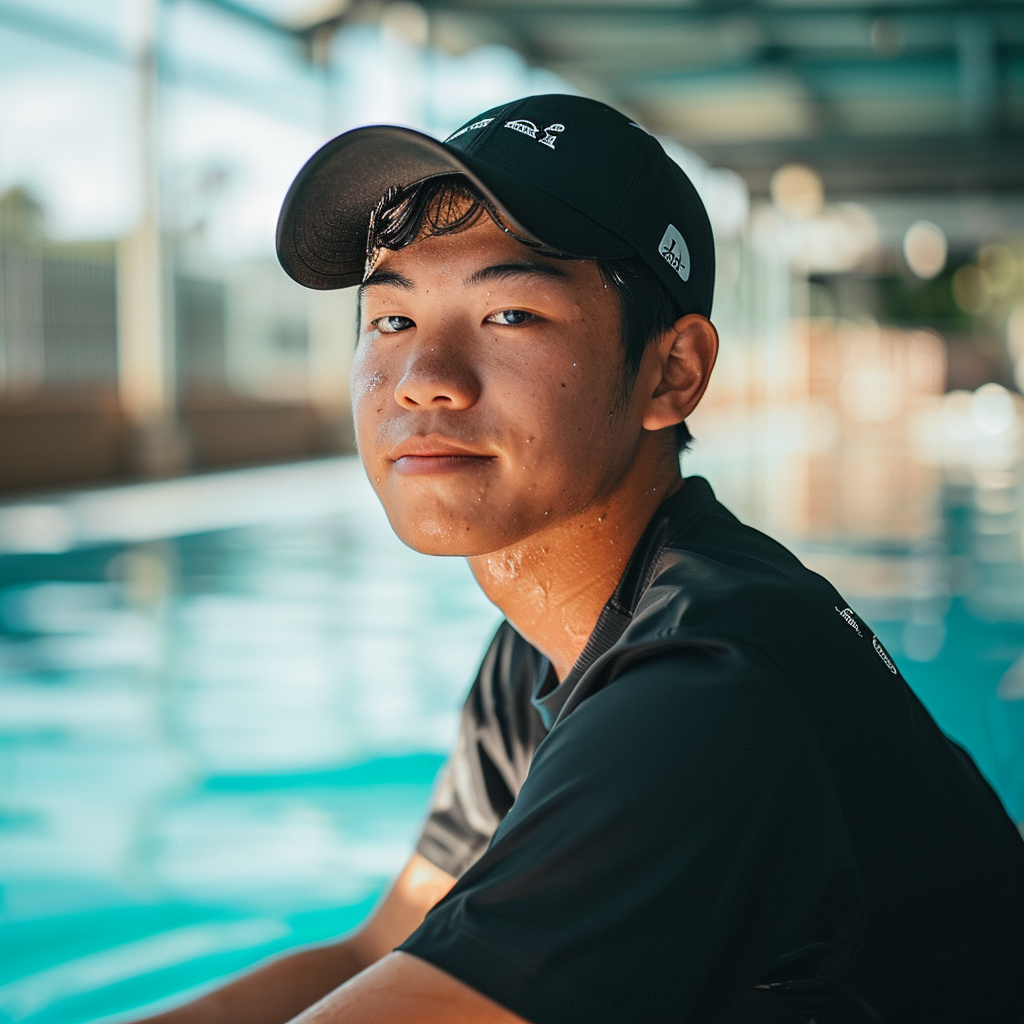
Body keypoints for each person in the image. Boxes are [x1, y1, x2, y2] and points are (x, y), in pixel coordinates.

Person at [134, 95, 1024, 1024]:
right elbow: (381, 948)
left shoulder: (707, 688)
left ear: (671, 372)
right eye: (391, 320)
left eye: (510, 312)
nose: (421, 375)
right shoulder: (549, 645)